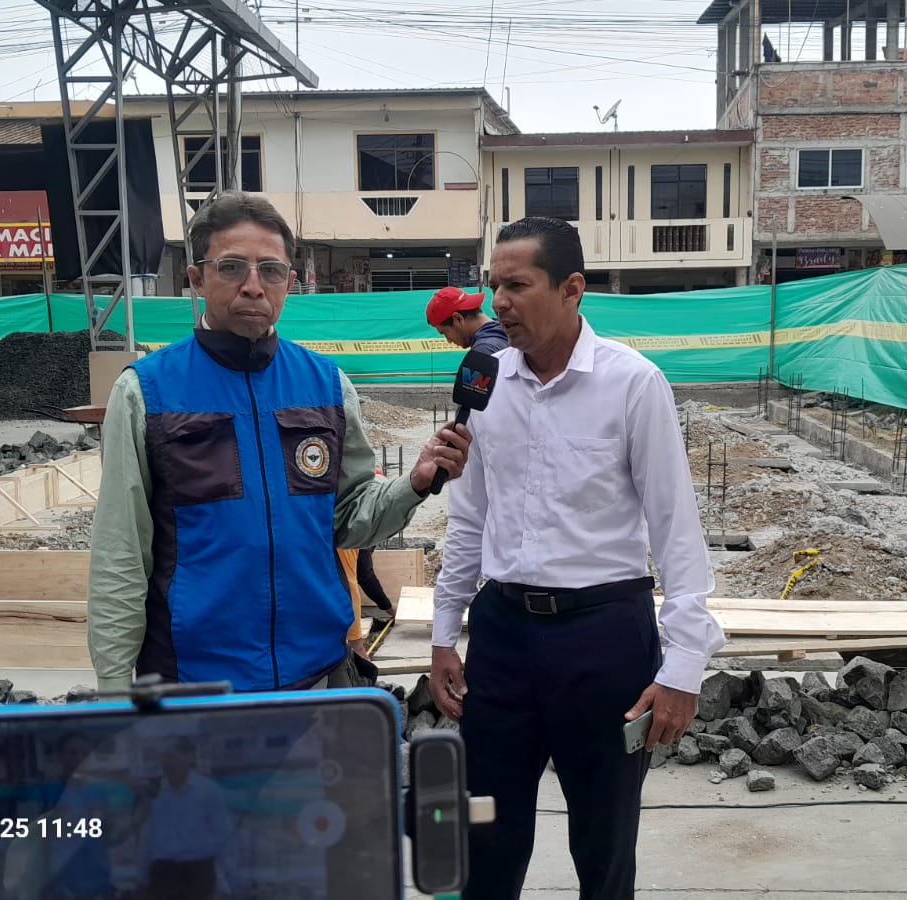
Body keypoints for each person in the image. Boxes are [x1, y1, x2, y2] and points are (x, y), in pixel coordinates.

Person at [428, 216, 726, 899]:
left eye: (517, 285)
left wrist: (684, 665)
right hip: (502, 636)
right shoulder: (482, 381)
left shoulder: (632, 383)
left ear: (571, 289)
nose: (499, 303)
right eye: (493, 286)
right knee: (485, 835)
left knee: (604, 838)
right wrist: (445, 633)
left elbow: (676, 529)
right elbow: (469, 516)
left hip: (605, 639)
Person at [88, 191, 472, 694]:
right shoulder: (146, 393)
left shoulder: (327, 387)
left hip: (316, 677)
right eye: (231, 267)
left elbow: (348, 520)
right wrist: (115, 692)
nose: (253, 286)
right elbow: (120, 556)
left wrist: (414, 484)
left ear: (290, 283)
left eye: (270, 271)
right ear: (197, 279)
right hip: (192, 685)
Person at [138, 739, 230, 900]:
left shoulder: (208, 791)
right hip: (164, 873)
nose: (167, 763)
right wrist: (142, 878)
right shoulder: (156, 793)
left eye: (171, 756)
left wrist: (228, 882)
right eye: (163, 757)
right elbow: (147, 837)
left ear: (189, 757)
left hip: (199, 873)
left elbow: (223, 836)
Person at [426, 285, 508, 355]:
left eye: (445, 332)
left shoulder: (483, 351)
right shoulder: (508, 333)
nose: (449, 340)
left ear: (458, 318)